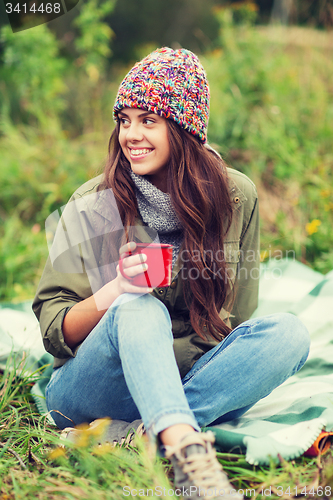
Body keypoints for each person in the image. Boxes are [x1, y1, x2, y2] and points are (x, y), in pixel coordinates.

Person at [33, 47, 310, 499]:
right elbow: (52, 329)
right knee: (138, 307)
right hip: (92, 389)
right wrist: (116, 292)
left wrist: (172, 366)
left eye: (148, 120)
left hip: (186, 379)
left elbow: (236, 317)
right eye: (124, 119)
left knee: (290, 334)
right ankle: (187, 455)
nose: (131, 135)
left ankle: (146, 434)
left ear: (183, 129)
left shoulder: (235, 197)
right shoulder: (92, 204)